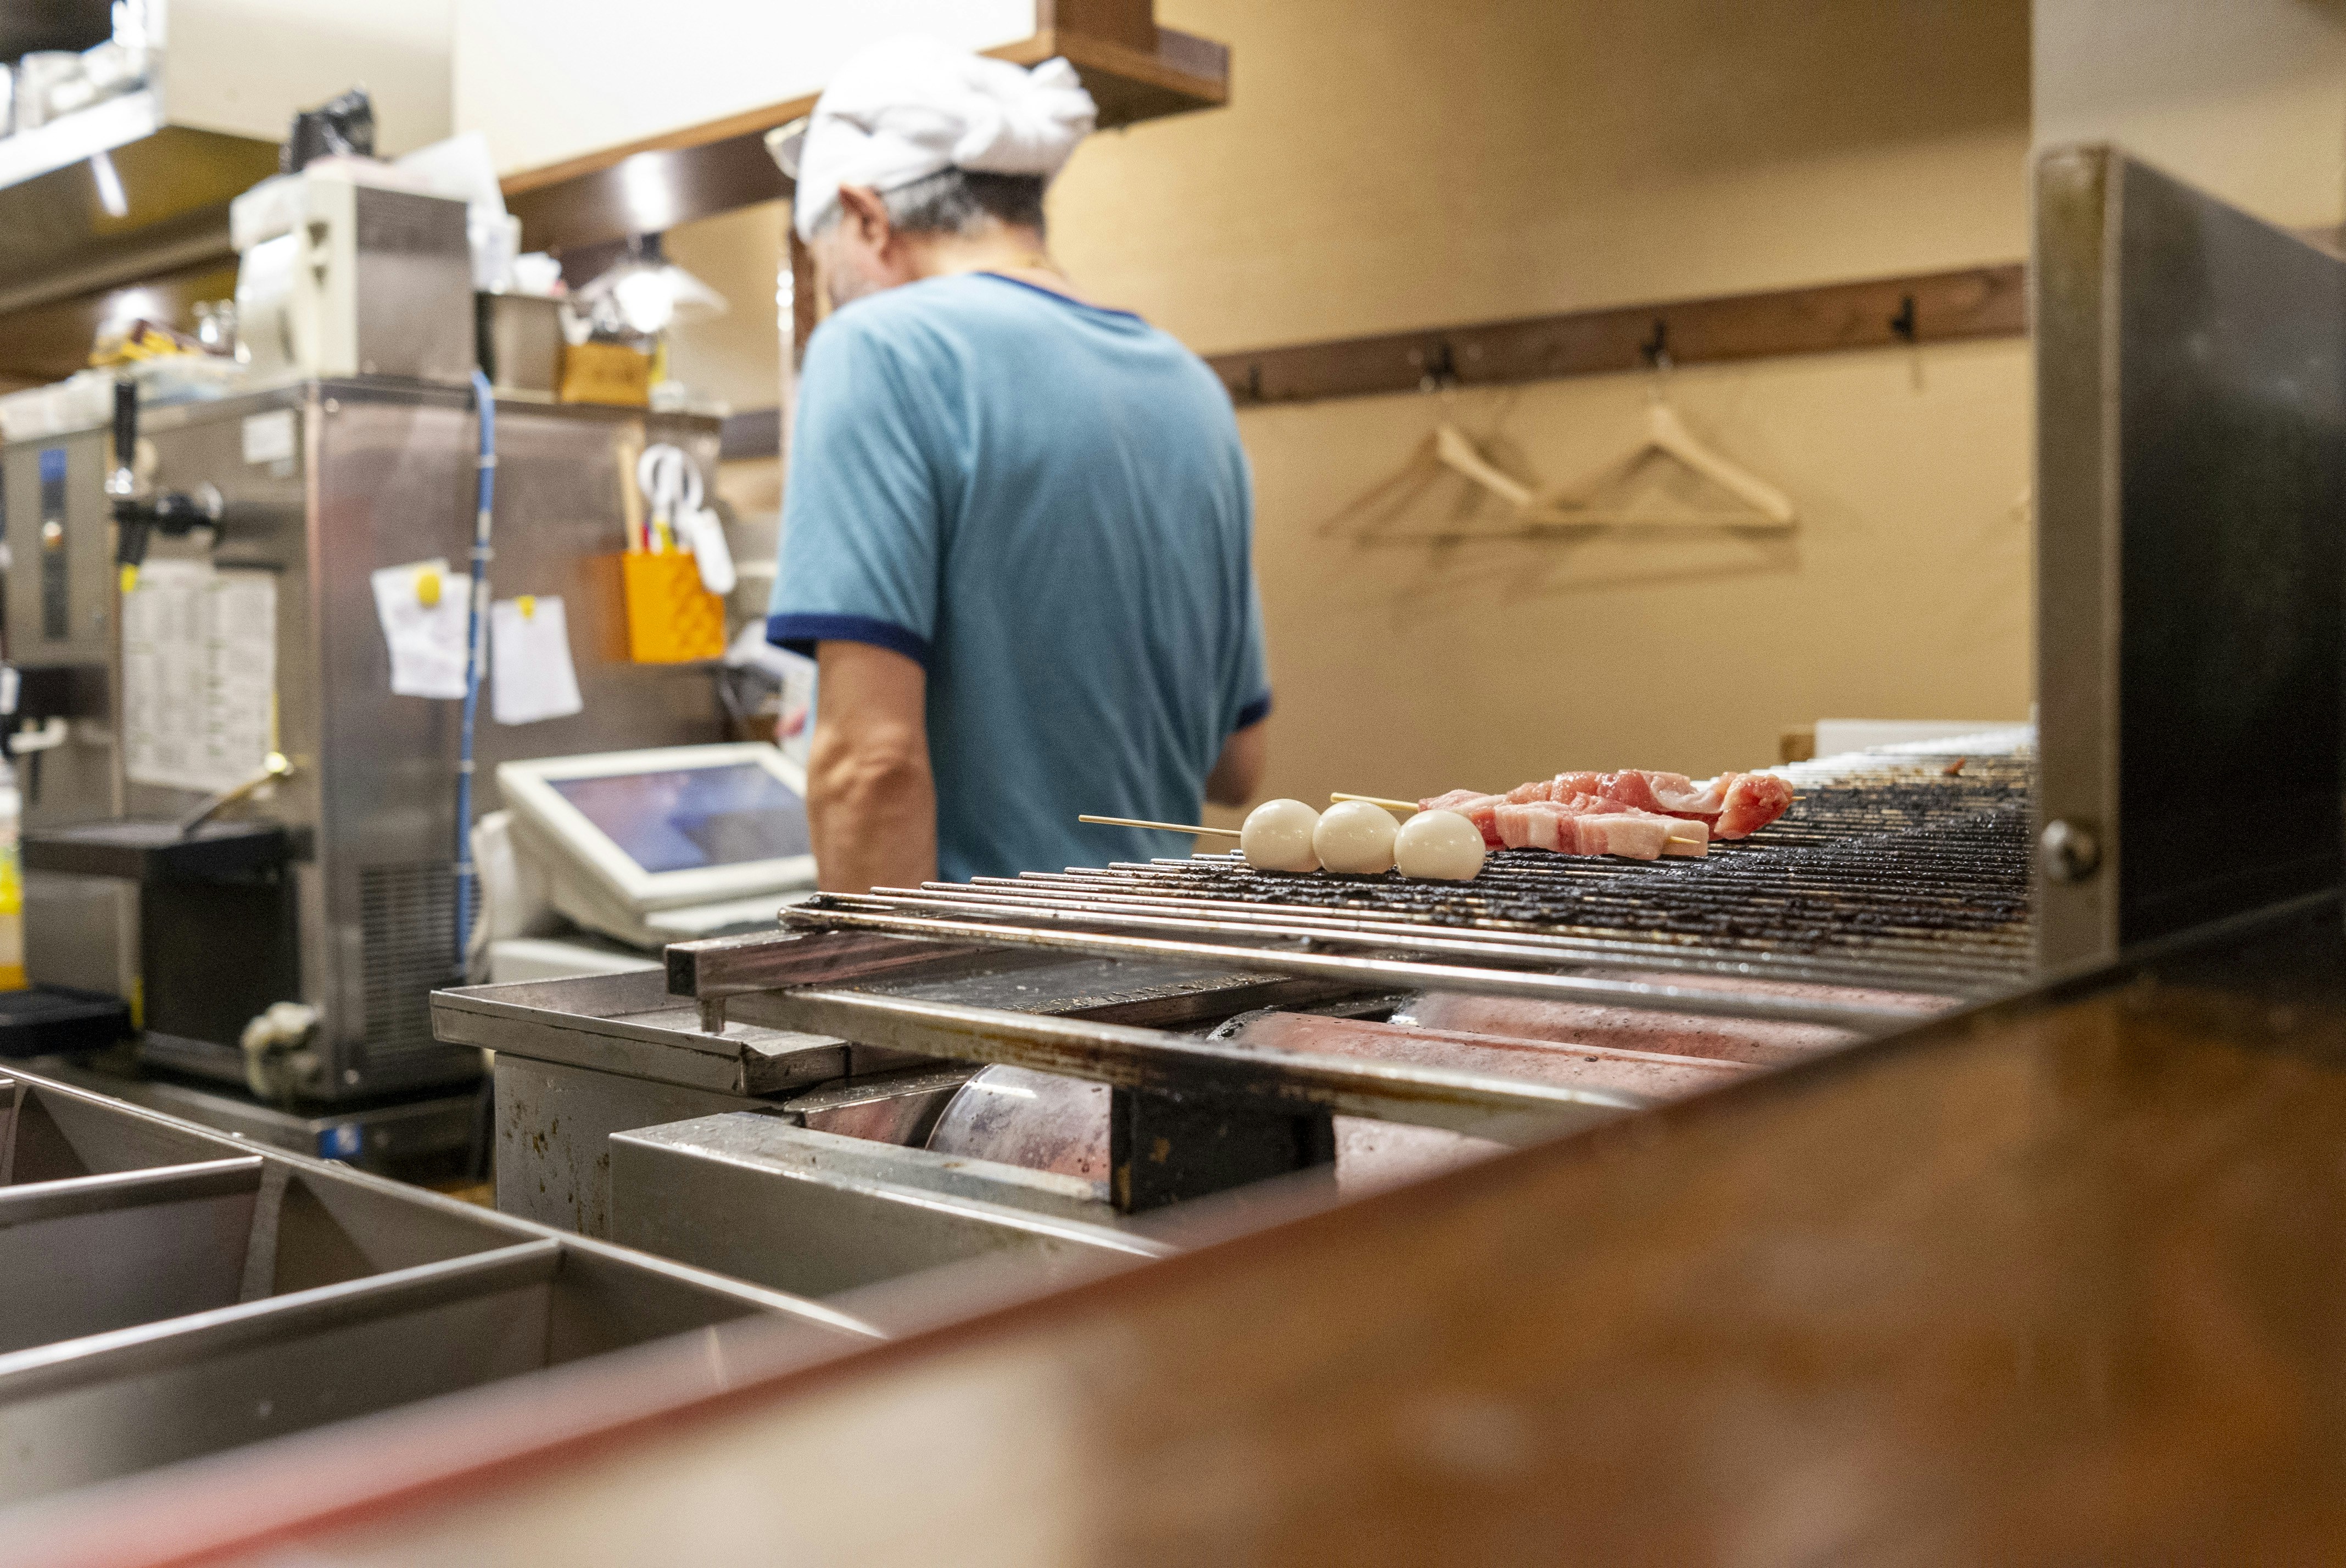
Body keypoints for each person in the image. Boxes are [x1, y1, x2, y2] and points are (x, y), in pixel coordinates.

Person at [767, 38, 1270, 891]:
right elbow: (1237, 765)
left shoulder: (878, 348)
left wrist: (883, 1013)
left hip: (988, 992)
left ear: (867, 217)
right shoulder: (1188, 385)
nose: (830, 297)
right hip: (1168, 979)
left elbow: (871, 766)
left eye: (824, 269)